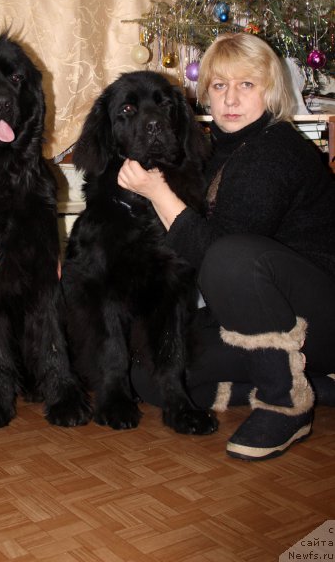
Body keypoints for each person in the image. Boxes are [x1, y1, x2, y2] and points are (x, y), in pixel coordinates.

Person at [118, 32, 335, 461]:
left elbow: (215, 255)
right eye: (220, 86)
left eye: (246, 85)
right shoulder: (217, 148)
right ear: (206, 95)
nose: (231, 99)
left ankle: (286, 403)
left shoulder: (275, 150)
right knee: (151, 375)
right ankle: (320, 385)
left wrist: (159, 193)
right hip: (260, 318)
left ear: (270, 91)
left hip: (319, 314)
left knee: (231, 257)